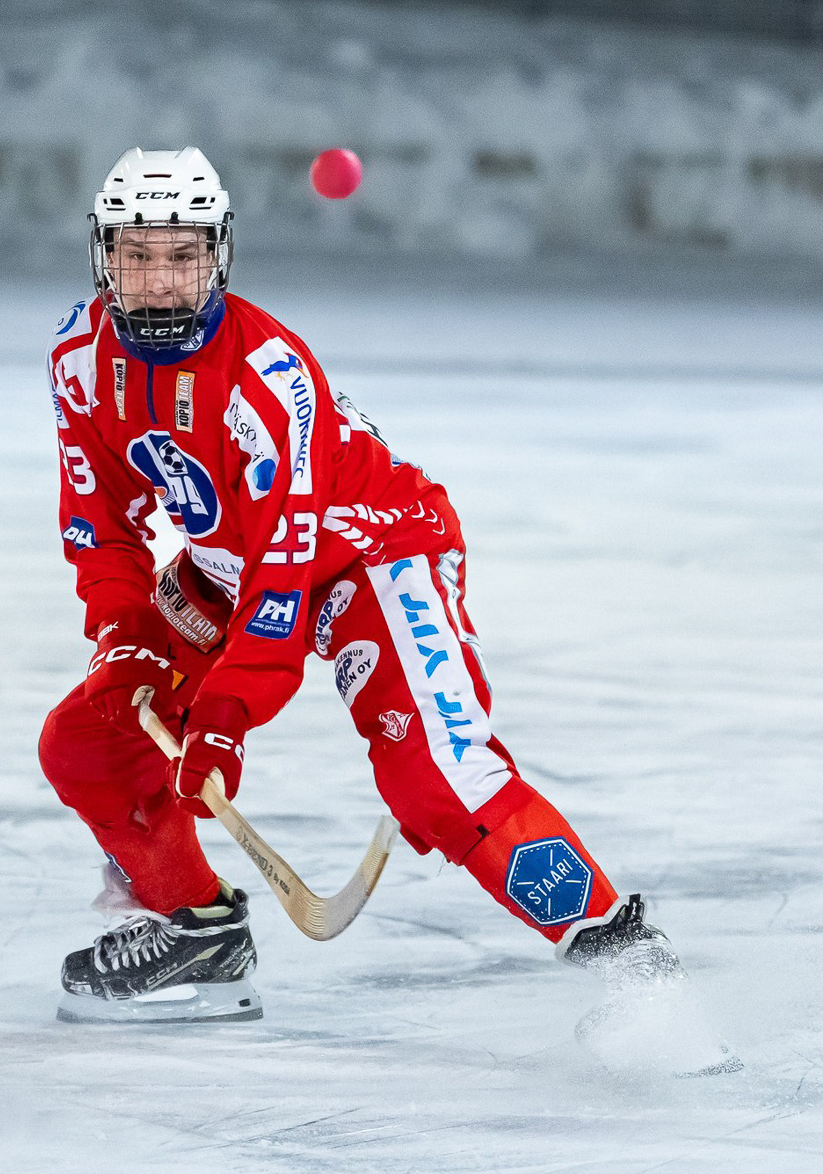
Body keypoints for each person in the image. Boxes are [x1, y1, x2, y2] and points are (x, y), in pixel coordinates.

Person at [39, 147, 731, 1070]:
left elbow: (286, 579)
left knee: (436, 778)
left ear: (220, 256)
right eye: (136, 255)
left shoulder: (268, 377)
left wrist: (226, 719)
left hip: (369, 551)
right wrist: (125, 639)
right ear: (102, 257)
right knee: (92, 736)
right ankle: (197, 935)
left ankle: (632, 961)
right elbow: (101, 520)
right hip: (226, 560)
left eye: (182, 255)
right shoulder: (78, 360)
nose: (159, 282)